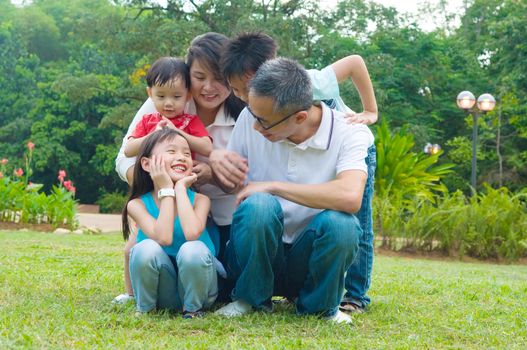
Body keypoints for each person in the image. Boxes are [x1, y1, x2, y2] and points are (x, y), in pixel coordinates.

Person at [220, 32, 377, 314]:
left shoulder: (350, 132)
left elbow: (351, 197)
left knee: (345, 224)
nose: (255, 126)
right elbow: (237, 186)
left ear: (300, 117)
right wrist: (219, 166)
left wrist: (273, 186)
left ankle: (323, 306)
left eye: (264, 122)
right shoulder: (252, 114)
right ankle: (251, 299)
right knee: (257, 206)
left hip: (310, 255)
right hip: (266, 253)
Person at [114, 33, 244, 305]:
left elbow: (252, 175)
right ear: (187, 76)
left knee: (212, 279)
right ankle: (134, 293)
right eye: (199, 77)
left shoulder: (244, 112)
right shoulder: (164, 101)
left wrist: (210, 173)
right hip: (166, 205)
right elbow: (125, 157)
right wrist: (154, 188)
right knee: (140, 247)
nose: (209, 87)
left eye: (219, 77)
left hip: (223, 214)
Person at [122, 128, 217, 318]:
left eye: (187, 153)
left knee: (193, 249)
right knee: (143, 248)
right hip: (163, 294)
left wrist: (180, 189)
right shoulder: (137, 205)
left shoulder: (200, 200)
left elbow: (191, 234)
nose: (181, 157)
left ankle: (192, 311)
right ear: (147, 164)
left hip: (200, 291)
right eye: (172, 151)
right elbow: (163, 237)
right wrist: (167, 190)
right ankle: (146, 309)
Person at [124, 57, 212, 158]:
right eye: (161, 96)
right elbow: (128, 151)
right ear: (150, 93)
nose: (168, 103)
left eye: (176, 96)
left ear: (188, 96)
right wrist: (154, 135)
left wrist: (177, 132)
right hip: (151, 172)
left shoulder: (190, 121)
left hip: (181, 171)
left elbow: (208, 148)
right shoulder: (146, 121)